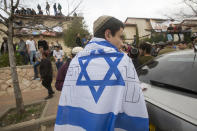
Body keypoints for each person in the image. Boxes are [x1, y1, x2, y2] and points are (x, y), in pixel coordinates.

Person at [55, 16, 148, 131]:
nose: (122, 43)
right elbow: (132, 106)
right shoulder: (124, 61)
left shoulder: (75, 61)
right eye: (120, 37)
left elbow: (70, 99)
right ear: (108, 34)